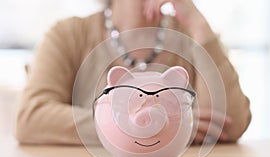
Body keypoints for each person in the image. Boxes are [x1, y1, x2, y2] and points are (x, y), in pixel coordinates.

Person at [15, 0, 251, 145]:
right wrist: (137, 127)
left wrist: (199, 24)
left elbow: (227, 125)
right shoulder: (68, 35)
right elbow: (31, 117)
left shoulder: (191, 36)